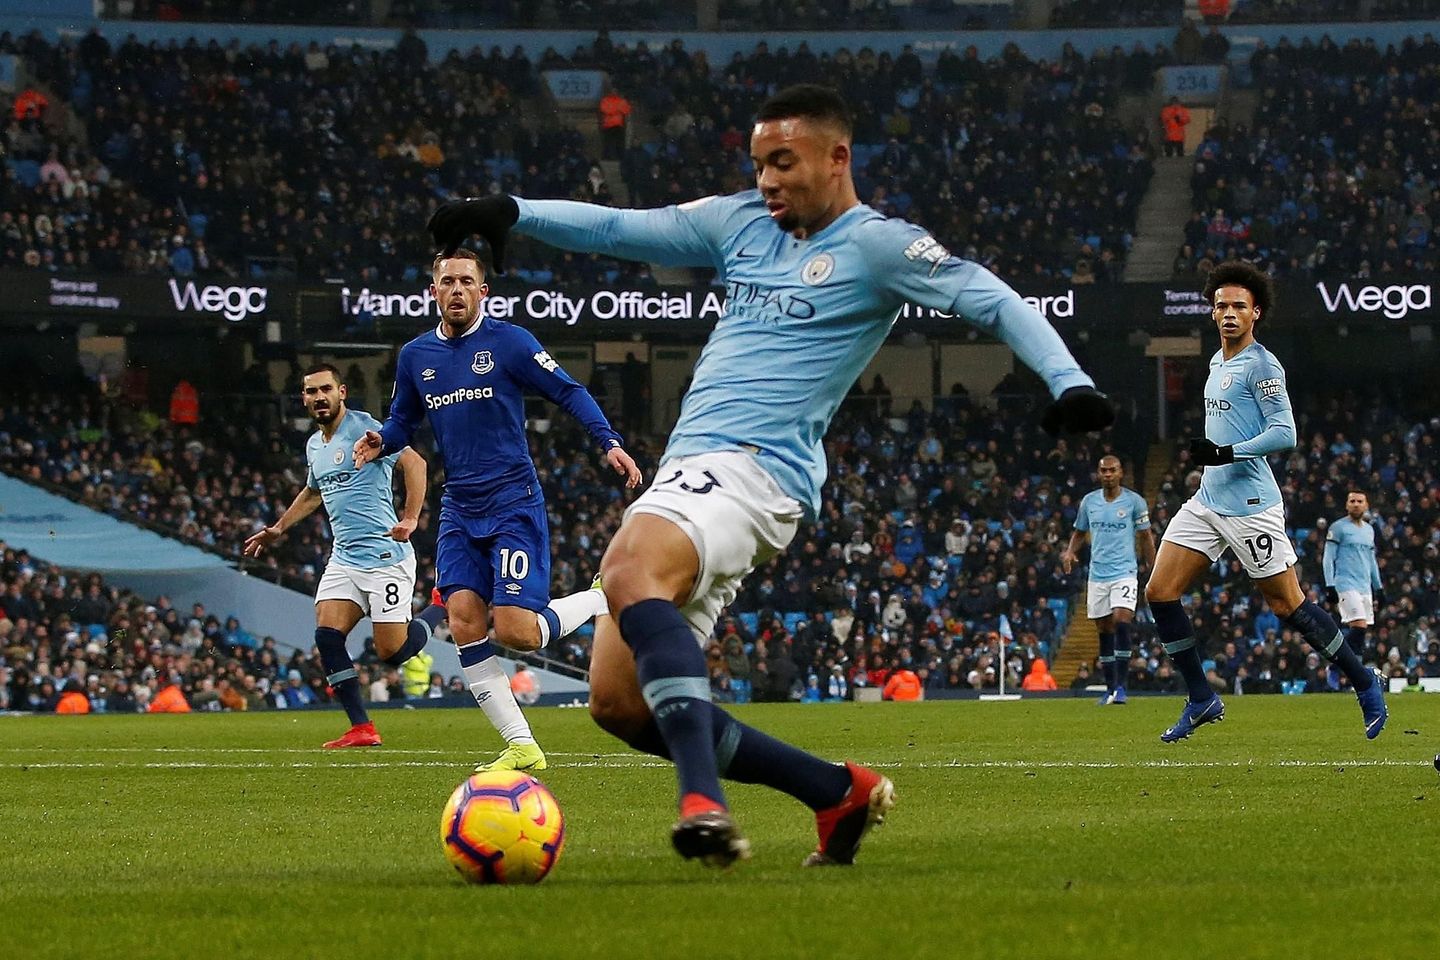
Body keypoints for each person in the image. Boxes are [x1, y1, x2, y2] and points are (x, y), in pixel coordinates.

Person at [426, 83, 1113, 867]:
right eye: (759, 165)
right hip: (690, 473)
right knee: (617, 704)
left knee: (625, 567)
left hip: (759, 471)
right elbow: (622, 228)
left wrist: (1069, 381)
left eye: (784, 163)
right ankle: (836, 792)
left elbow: (986, 296)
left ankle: (703, 806)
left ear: (836, 158)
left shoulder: (880, 246)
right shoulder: (741, 224)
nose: (768, 182)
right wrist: (511, 211)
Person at [354, 249, 642, 772]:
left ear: (483, 291)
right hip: (459, 508)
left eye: (467, 281)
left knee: (518, 633)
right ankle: (521, 745)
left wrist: (609, 441)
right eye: (448, 282)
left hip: (512, 501)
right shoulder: (416, 355)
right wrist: (382, 441)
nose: (457, 289)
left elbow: (568, 391)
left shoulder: (509, 342)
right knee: (464, 622)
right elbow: (403, 421)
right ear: (434, 292)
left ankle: (598, 601)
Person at [1144, 260, 1386, 742]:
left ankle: (1365, 683)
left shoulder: (1263, 365)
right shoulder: (1216, 362)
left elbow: (1285, 433)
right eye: (1221, 306)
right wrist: (1211, 457)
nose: (1229, 312)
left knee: (1288, 605)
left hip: (1251, 505)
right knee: (1159, 592)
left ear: (1255, 312)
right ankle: (1201, 697)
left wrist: (1226, 451)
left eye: (1239, 305)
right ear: (1212, 314)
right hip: (1207, 500)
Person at [244, 363, 443, 749]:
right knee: (327, 635)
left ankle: (438, 606)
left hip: (386, 555)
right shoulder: (314, 445)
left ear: (342, 392)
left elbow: (415, 464)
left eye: (325, 389)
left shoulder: (366, 428)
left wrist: (411, 517)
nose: (318, 397)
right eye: (310, 391)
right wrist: (279, 529)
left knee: (392, 652)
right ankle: (361, 727)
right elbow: (313, 491)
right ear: (303, 398)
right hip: (345, 559)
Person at [1060, 455, 1155, 705]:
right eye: (1104, 471)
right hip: (1097, 574)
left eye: (1112, 470)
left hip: (1124, 571)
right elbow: (1080, 532)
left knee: (1122, 620)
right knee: (1104, 630)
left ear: (1120, 472)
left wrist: (1153, 565)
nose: (1108, 474)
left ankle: (1122, 687)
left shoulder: (1134, 501)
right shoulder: (1089, 502)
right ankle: (1111, 688)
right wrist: (1070, 552)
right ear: (1099, 473)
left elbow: (1145, 536)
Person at [1322, 490, 1384, 656]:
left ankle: (1352, 668)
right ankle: (1336, 661)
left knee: (1361, 631)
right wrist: (1330, 585)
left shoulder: (1369, 530)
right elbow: (1328, 558)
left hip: (1365, 586)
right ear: (1347, 505)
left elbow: (1371, 561)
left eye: (1360, 501)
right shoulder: (1338, 527)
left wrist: (1379, 587)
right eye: (1352, 501)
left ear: (1366, 505)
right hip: (1345, 583)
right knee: (1359, 625)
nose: (1356, 504)